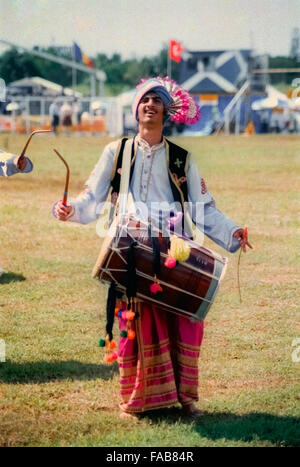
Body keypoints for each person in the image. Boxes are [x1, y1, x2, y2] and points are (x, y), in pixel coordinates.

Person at [54, 78, 252, 419]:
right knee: (132, 325)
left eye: (157, 101)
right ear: (136, 109)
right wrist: (71, 209)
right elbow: (92, 196)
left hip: (174, 251)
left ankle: (187, 399)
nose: (150, 105)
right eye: (144, 100)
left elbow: (202, 208)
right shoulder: (115, 152)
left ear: (166, 111)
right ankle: (135, 402)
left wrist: (233, 231)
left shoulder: (182, 159)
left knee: (183, 321)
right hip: (129, 249)